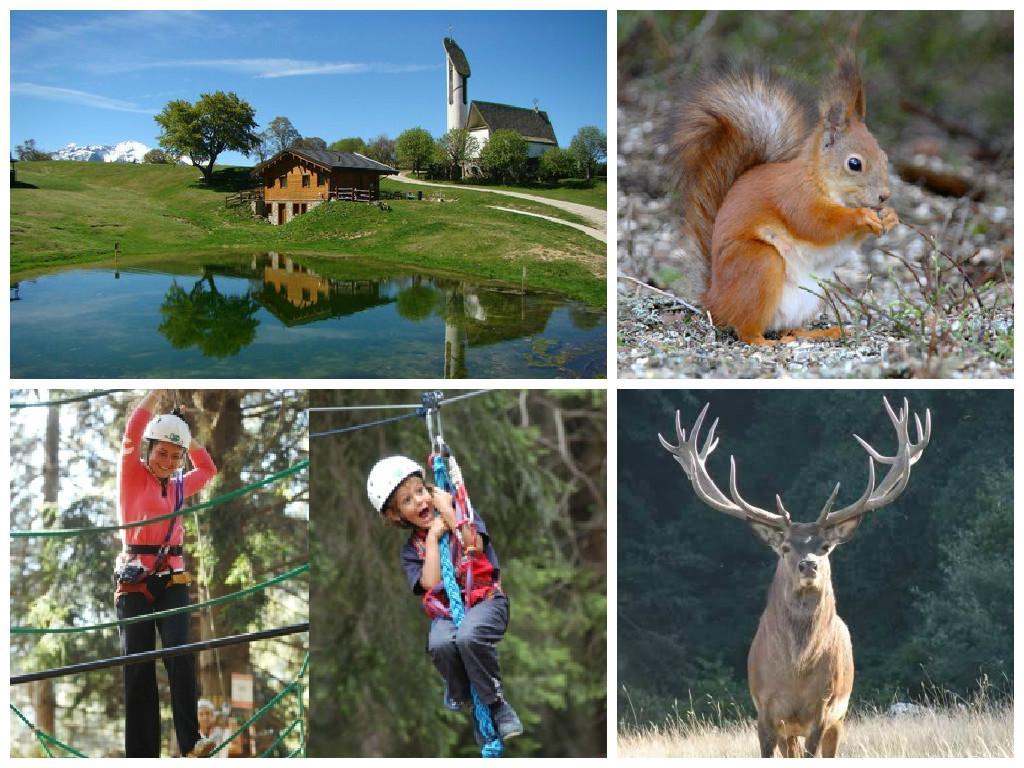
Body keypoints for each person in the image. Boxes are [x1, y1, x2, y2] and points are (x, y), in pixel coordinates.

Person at [366, 455, 523, 745]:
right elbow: (430, 582)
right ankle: (468, 696)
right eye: (407, 501)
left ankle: (497, 705)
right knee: (439, 644)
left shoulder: (462, 515)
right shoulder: (411, 550)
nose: (419, 501)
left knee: (469, 637)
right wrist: (432, 538)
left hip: (486, 601)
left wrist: (449, 512)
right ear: (394, 515)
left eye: (420, 491)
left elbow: (473, 545)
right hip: (448, 614)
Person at [115, 390, 218, 758]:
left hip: (172, 577)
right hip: (135, 581)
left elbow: (208, 470)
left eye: (176, 457)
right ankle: (142, 757)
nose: (169, 461)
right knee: (138, 667)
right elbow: (132, 431)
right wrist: (156, 392)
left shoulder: (178, 485)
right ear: (149, 450)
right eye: (162, 452)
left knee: (180, 652)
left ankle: (191, 742)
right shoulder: (132, 475)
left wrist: (187, 438)